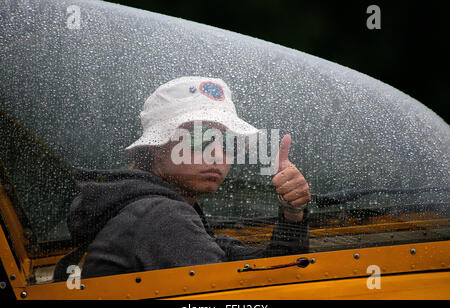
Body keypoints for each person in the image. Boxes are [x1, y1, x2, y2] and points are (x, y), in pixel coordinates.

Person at [67, 76, 311, 278]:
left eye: (228, 141)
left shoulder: (154, 209)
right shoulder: (161, 216)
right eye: (197, 137)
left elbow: (280, 272)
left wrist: (292, 212)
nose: (217, 154)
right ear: (157, 148)